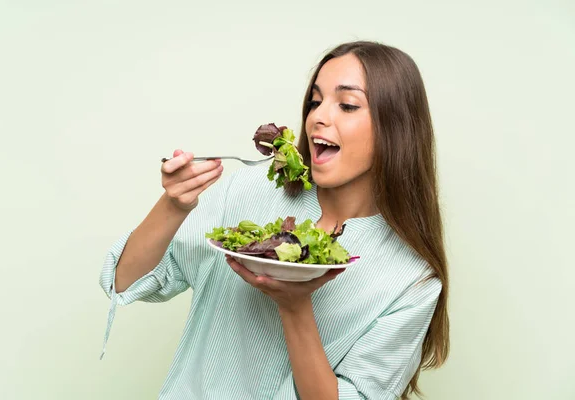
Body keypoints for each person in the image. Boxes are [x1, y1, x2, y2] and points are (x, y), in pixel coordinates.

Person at [99, 40, 450, 400]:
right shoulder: (250, 188)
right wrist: (173, 205)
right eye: (315, 101)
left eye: (346, 105)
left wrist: (295, 306)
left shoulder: (412, 280)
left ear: (395, 130)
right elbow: (124, 281)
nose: (318, 116)